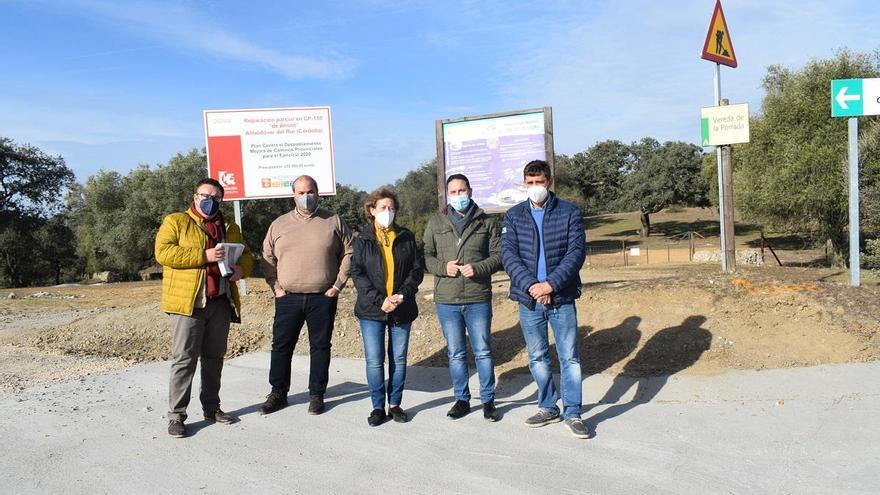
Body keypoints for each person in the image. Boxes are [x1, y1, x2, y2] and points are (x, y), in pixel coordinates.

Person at [155, 178, 253, 438]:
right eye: (205, 195)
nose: (210, 201)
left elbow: (246, 254)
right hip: (188, 304)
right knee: (184, 360)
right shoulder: (176, 221)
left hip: (220, 301)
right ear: (195, 196)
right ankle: (176, 416)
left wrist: (242, 269)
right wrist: (204, 255)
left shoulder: (229, 226)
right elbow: (164, 253)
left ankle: (212, 408)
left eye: (216, 197)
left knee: (214, 359)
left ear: (221, 200)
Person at [500, 160, 589, 439]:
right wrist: (532, 286)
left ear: (549, 182)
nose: (535, 187)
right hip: (529, 300)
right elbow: (509, 256)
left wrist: (551, 284)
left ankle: (573, 412)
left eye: (540, 182)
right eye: (530, 182)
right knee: (537, 357)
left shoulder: (569, 212)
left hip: (561, 297)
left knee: (569, 358)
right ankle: (548, 407)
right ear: (524, 183)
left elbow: (576, 253)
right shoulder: (513, 216)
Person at [259, 175, 353, 416]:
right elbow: (267, 256)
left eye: (310, 191)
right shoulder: (279, 224)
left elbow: (349, 252)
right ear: (293, 195)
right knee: (281, 346)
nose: (306, 196)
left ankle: (317, 394)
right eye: (301, 192)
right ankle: (278, 393)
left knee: (320, 347)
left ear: (318, 193)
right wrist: (276, 287)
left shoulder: (333, 220)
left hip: (322, 297)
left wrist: (338, 285)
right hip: (287, 297)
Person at [423, 174, 502, 422]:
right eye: (454, 192)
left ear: (470, 190)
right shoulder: (436, 222)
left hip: (477, 297)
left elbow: (499, 255)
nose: (459, 195)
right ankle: (462, 399)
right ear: (447, 194)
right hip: (447, 299)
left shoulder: (486, 222)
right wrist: (441, 267)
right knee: (456, 353)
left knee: (483, 351)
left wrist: (478, 268)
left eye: (462, 190)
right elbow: (426, 255)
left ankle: (488, 400)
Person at [349, 187, 424, 426]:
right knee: (374, 360)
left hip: (401, 307)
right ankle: (377, 406)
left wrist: (401, 295)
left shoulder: (406, 236)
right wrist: (380, 299)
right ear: (372, 210)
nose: (387, 211)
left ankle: (395, 404)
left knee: (398, 359)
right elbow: (358, 274)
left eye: (391, 208)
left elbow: (416, 270)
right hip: (372, 310)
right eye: (382, 207)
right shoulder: (362, 239)